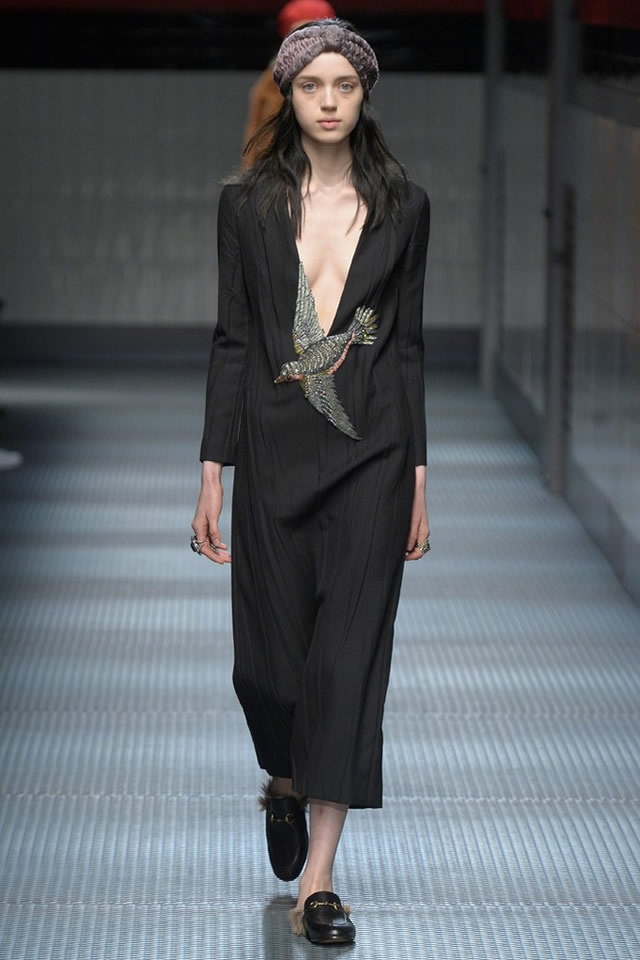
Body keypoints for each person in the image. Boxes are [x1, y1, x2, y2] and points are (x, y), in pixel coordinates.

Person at [192, 18, 431, 945]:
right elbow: (233, 339)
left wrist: (418, 475)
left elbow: (405, 348)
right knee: (267, 670)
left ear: (364, 94)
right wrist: (213, 469)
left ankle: (320, 884)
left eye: (345, 85)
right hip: (272, 451)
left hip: (373, 457)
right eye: (311, 86)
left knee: (346, 664)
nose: (329, 102)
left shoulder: (404, 205)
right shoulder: (247, 205)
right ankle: (284, 778)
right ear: (287, 95)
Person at [242, 0, 336, 168]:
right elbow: (258, 137)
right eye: (298, 34)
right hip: (281, 171)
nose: (307, 42)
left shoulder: (344, 77)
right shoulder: (271, 82)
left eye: (315, 33)